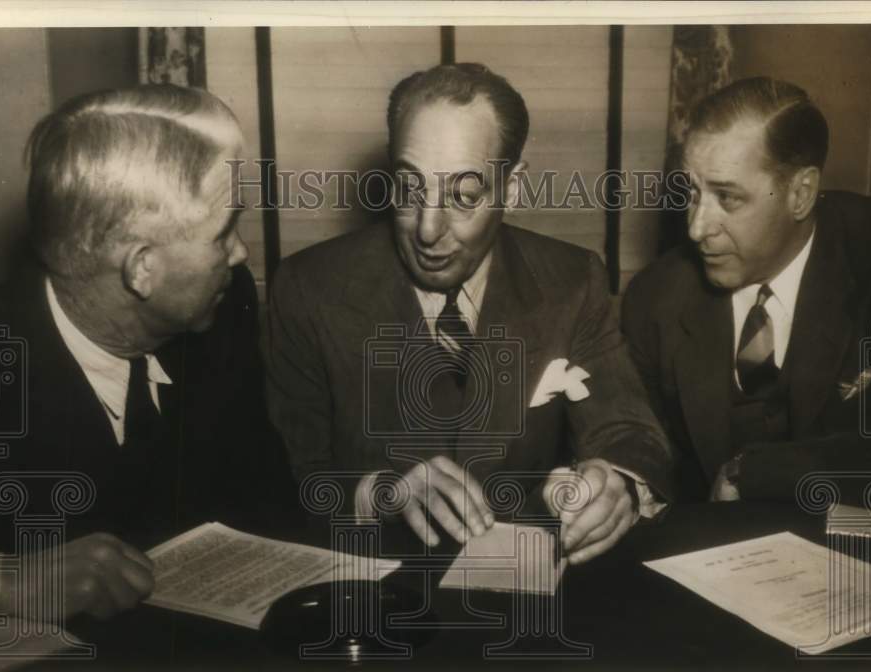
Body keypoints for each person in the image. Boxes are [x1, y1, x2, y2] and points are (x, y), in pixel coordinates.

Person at [267, 63, 672, 564]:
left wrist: (616, 483)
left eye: (463, 195)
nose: (429, 230)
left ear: (513, 187)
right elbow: (289, 479)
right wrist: (377, 493)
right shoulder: (308, 289)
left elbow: (627, 432)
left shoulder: (573, 281)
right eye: (410, 189)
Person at [0, 85, 285, 625]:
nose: (241, 254)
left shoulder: (225, 306)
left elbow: (265, 498)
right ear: (141, 269)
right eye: (224, 232)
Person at [622, 77, 871, 506]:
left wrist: (761, 474)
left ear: (800, 194)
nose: (696, 228)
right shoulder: (655, 299)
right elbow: (640, 452)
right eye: (691, 193)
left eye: (728, 198)